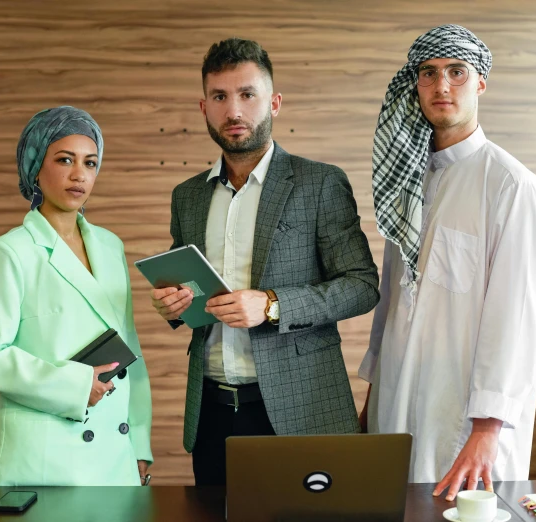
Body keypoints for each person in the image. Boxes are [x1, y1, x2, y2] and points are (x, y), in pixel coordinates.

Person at [150, 38, 379, 486]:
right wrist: (174, 306)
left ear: (274, 102)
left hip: (302, 409)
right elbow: (193, 293)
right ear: (204, 107)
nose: (233, 111)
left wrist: (272, 304)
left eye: (247, 95)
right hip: (213, 412)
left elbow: (362, 285)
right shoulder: (188, 196)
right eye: (220, 97)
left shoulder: (320, 184)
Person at [359, 24, 536, 500]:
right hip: (394, 405)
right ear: (415, 83)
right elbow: (391, 306)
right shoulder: (405, 180)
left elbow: (516, 322)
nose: (442, 85)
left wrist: (487, 431)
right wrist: (371, 402)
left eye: (456, 72)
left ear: (480, 82)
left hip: (464, 426)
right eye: (429, 73)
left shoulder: (512, 186)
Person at [0, 106, 152, 486]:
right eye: (65, 160)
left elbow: (129, 349)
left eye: (90, 162)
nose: (80, 174)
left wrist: (139, 441)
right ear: (35, 167)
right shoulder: (12, 251)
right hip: (47, 454)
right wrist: (75, 385)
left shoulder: (111, 246)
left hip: (114, 451)